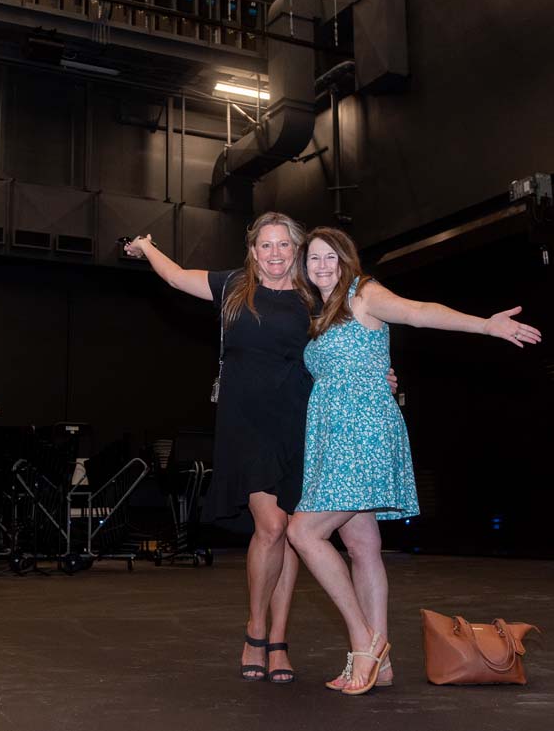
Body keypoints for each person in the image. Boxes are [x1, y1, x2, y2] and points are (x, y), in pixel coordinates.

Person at [125, 213, 396, 685]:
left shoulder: (315, 295)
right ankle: (255, 628)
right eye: (265, 246)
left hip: (301, 421)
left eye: (284, 246)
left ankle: (279, 641)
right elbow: (173, 276)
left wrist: (381, 376)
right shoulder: (232, 286)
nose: (275, 254)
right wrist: (146, 247)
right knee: (270, 527)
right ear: (252, 252)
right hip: (245, 423)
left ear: (296, 250)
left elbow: (356, 340)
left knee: (293, 529)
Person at [286, 226, 541, 695]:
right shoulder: (321, 314)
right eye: (313, 260)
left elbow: (420, 314)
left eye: (329, 258)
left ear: (346, 260)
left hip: (363, 435)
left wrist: (486, 324)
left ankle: (365, 642)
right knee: (362, 546)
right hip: (333, 439)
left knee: (302, 531)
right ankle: (379, 664)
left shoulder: (366, 295)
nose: (321, 266)